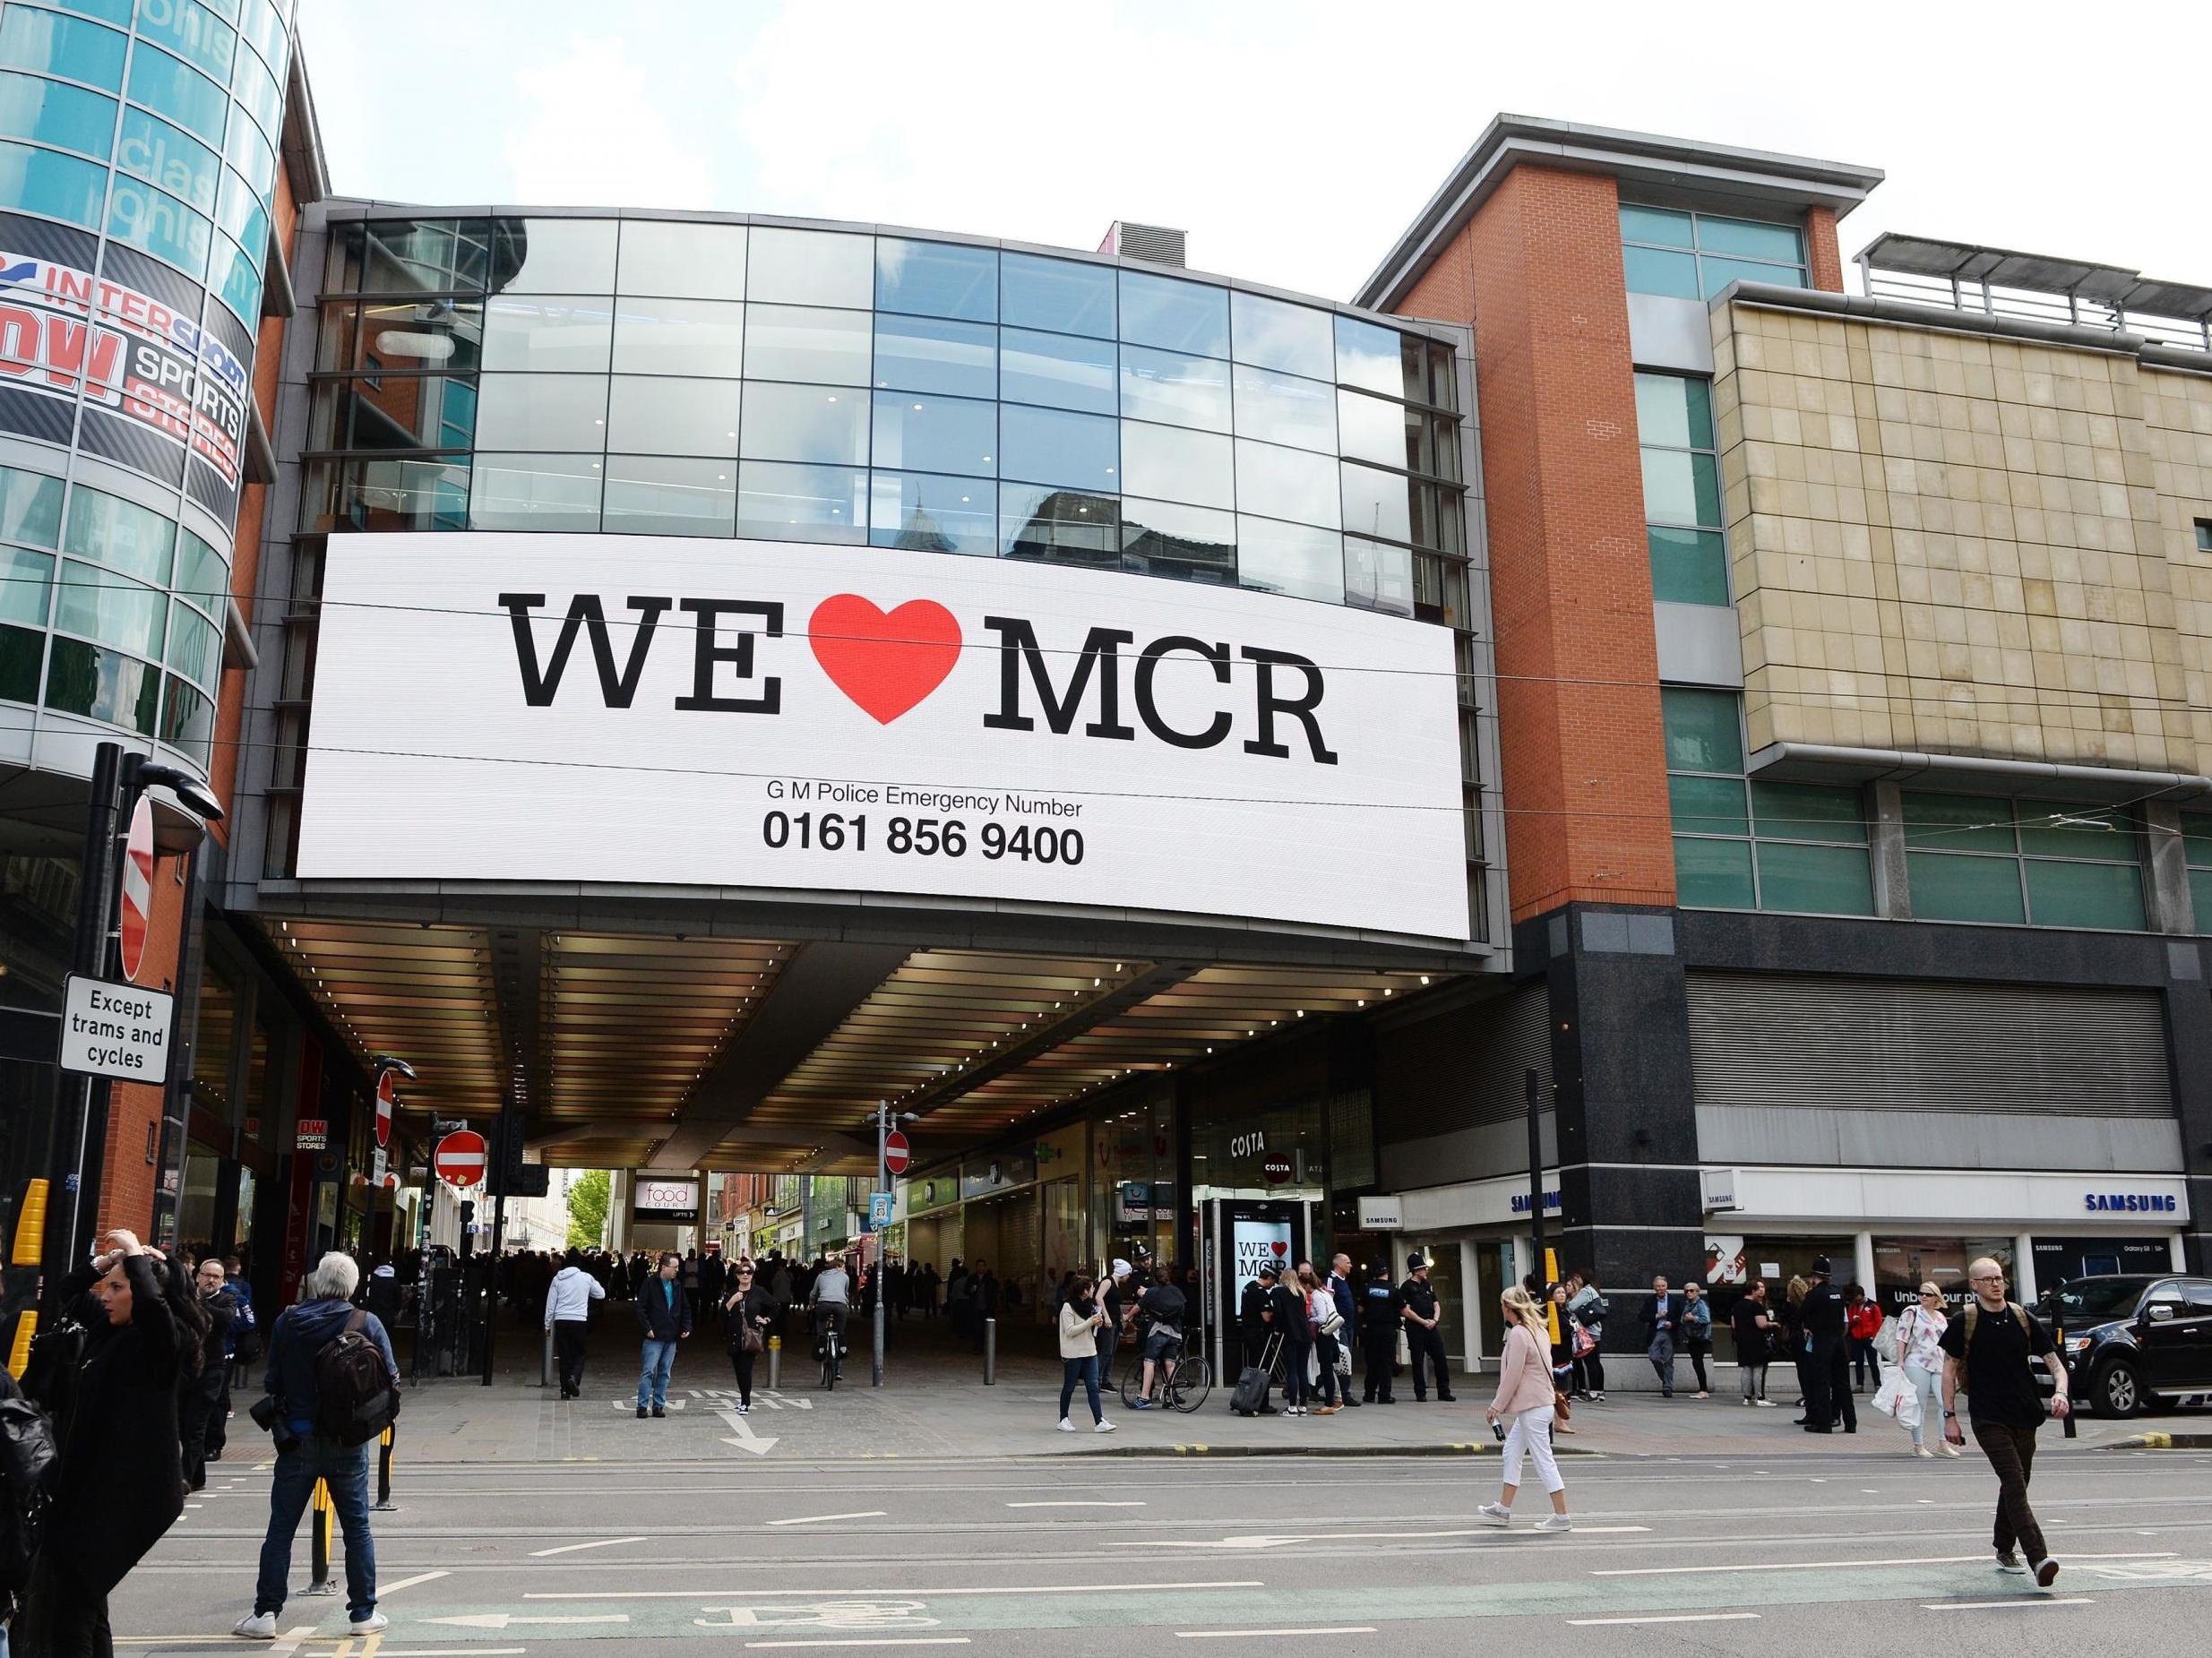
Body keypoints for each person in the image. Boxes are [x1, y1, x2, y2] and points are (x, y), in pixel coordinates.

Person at [17, 1229, 202, 1656]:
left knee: (73, 1613)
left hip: (117, 1495)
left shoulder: (159, 1344)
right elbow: (66, 1291)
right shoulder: (110, 1331)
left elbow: (156, 1314)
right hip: (82, 1487)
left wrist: (137, 1257)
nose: (106, 1294)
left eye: (117, 1288)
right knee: (84, 1605)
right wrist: (105, 1263)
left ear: (142, 1292)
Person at [233, 1250, 397, 1640]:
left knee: (281, 1530)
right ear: (353, 1286)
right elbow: (390, 1379)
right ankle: (362, 1613)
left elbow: (271, 1380)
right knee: (357, 1529)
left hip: (297, 1440)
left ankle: (265, 1614)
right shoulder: (366, 1322)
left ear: (318, 1282)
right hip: (348, 1444)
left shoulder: (289, 1321)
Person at [1941, 1257, 2070, 1586]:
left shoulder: (2022, 1318)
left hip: (2025, 1415)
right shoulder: (1964, 1321)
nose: (1997, 1284)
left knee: (2017, 1483)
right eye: (1988, 1279)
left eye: (2000, 1278)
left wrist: (2061, 1393)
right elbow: (1949, 1370)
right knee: (2013, 1480)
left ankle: (2002, 1547)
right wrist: (1949, 1417)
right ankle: (2039, 1558)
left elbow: (2055, 1364)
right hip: (1988, 1417)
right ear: (1974, 1285)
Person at [1476, 1285, 1572, 1532]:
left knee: (1543, 1459)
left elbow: (1513, 1375)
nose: (1501, 1309)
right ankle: (1503, 1509)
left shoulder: (1519, 1333)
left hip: (1533, 1406)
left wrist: (1496, 1406)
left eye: (1502, 1305)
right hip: (1539, 1403)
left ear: (1508, 1307)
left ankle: (1562, 1517)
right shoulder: (1538, 1329)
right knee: (1511, 1451)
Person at [180, 1254, 237, 1490]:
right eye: (208, 1275)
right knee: (183, 1426)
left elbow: (225, 1320)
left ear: (223, 1280)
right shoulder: (185, 1297)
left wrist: (197, 1305)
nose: (211, 1280)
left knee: (196, 1425)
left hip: (212, 1370)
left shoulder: (228, 1299)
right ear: (198, 1276)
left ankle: (184, 1478)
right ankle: (198, 1476)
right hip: (186, 1370)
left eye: (217, 1277)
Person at [1898, 1280, 1953, 1458]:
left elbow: (1946, 1343)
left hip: (1939, 1362)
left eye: (1928, 1294)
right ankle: (1918, 1444)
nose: (1923, 1297)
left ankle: (1943, 1443)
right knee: (1919, 1405)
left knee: (1944, 1403)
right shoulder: (1911, 1311)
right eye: (1921, 1293)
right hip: (1916, 1361)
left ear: (1936, 1297)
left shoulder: (1941, 1317)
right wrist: (1900, 1360)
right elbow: (1902, 1337)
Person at [1800, 1256, 1855, 1433]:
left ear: (1815, 1276)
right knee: (1843, 1383)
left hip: (1823, 1341)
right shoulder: (1838, 1292)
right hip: (1839, 1341)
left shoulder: (1814, 1294)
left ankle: (1823, 1423)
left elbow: (1802, 1315)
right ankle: (1851, 1423)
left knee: (1822, 1382)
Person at [1055, 1274, 1115, 1433]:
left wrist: (1098, 1323)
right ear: (1084, 1291)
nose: (1093, 1290)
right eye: (1091, 1288)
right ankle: (1063, 1418)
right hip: (1073, 1353)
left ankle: (1099, 1420)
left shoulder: (1090, 1306)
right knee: (1069, 1386)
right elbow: (1070, 1331)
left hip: (1090, 1351)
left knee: (1093, 1386)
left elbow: (1091, 1329)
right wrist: (1090, 1322)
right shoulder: (1068, 1307)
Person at [545, 1247, 606, 1400]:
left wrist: (547, 1325)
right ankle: (574, 1378)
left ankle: (564, 1390)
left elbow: (550, 1304)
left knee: (564, 1355)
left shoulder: (557, 1279)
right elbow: (601, 1294)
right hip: (579, 1320)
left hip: (561, 1320)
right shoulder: (586, 1278)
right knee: (579, 1353)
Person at [635, 1251, 691, 1417]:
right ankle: (642, 1406)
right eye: (674, 1268)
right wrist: (647, 1328)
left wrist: (687, 1326)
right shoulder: (650, 1283)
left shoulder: (677, 1285)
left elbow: (685, 1307)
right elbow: (640, 1308)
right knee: (648, 1371)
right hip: (654, 1336)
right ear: (664, 1267)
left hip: (671, 1335)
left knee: (665, 1373)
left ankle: (658, 1405)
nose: (676, 1271)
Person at [1130, 1265, 1188, 1410]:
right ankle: (1170, 1397)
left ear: (1155, 1280)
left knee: (1149, 1362)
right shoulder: (1177, 1291)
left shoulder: (1153, 1292)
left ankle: (1144, 1397)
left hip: (1159, 1331)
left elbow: (1138, 1307)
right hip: (1175, 1332)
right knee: (1170, 1364)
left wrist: (1127, 1316)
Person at [1399, 1255, 1454, 1402]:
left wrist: (1435, 1320)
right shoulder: (1406, 1287)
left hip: (1431, 1326)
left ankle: (1444, 1391)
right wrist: (1423, 1321)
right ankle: (1420, 1392)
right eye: (1423, 1268)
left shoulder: (1427, 1285)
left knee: (1440, 1358)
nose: (1426, 1271)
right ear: (1416, 1271)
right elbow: (1405, 1310)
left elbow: (1436, 1304)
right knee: (1418, 1360)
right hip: (1416, 1327)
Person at [723, 1260, 776, 1412]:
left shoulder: (759, 1292)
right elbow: (723, 1314)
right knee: (739, 1370)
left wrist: (766, 1319)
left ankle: (746, 1402)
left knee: (746, 1369)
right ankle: (743, 1400)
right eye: (741, 1272)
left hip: (751, 1336)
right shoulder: (732, 1292)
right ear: (737, 1275)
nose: (745, 1275)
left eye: (748, 1272)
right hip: (734, 1336)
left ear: (752, 1275)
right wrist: (732, 1301)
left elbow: (775, 1306)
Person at [1270, 1264, 1313, 1416]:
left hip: (1290, 1334)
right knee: (1302, 1371)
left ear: (1283, 1278)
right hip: (1305, 1334)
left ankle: (1292, 1406)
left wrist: (1277, 1328)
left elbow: (1278, 1312)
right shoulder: (1301, 1293)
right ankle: (1303, 1406)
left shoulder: (1278, 1292)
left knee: (1292, 1371)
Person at [1359, 1261, 1401, 1404]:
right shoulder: (1393, 1290)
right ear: (1387, 1273)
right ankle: (1384, 1395)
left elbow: (1360, 1309)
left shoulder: (1367, 1289)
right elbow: (1403, 1309)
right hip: (1387, 1330)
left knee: (1372, 1362)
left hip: (1371, 1330)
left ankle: (1369, 1394)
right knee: (1386, 1363)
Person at [1304, 1265, 1343, 1414]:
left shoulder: (1316, 1295)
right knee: (1328, 1370)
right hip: (1332, 1335)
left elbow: (1322, 1317)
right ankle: (1330, 1402)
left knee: (1326, 1370)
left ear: (1308, 1284)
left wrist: (1309, 1318)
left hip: (1325, 1336)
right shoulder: (1324, 1293)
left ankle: (1328, 1404)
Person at [1731, 1279, 1777, 1405]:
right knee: (1758, 1369)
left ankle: (1747, 1397)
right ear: (1752, 1291)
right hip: (1756, 1340)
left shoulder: (1737, 1305)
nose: (1760, 1291)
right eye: (1758, 1289)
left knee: (1746, 1368)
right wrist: (1773, 1324)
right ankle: (1760, 1397)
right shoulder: (1756, 1306)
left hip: (1742, 1340)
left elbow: (1734, 1324)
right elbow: (1761, 1324)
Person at [1564, 1272, 1606, 1401]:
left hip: (1588, 1332)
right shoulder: (1593, 1290)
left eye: (1578, 1277)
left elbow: (1571, 1306)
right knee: (1595, 1362)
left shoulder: (1585, 1291)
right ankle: (1599, 1391)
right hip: (1595, 1331)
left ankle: (1593, 1392)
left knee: (1590, 1362)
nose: (1575, 1280)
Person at [809, 1252, 851, 1379]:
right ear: (838, 1267)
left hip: (823, 1305)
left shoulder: (821, 1276)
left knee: (821, 1325)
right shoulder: (845, 1277)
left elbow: (814, 1293)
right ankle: (838, 1370)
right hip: (840, 1306)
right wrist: (846, 1304)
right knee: (839, 1333)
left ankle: (821, 1343)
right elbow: (846, 1293)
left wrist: (811, 1304)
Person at [1327, 1254, 1362, 1408]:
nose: (1350, 1265)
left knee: (1345, 1357)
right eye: (1348, 1262)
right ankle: (1344, 1394)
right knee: (1342, 1359)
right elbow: (1328, 1301)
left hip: (1348, 1325)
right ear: (1339, 1264)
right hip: (1339, 1326)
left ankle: (1314, 1388)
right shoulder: (1331, 1280)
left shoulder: (1344, 1281)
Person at [1642, 1275, 1678, 1397]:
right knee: (1654, 1357)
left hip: (1669, 1333)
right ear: (1654, 1288)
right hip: (1655, 1332)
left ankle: (1667, 1386)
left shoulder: (1675, 1300)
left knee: (1668, 1360)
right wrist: (1657, 1316)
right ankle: (1665, 1378)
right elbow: (1642, 1316)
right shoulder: (1650, 1300)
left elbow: (1680, 1318)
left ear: (1667, 1286)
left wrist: (1672, 1323)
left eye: (1663, 1286)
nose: (1661, 1288)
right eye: (1658, 1286)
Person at [1097, 1259, 1132, 1382]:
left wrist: (1121, 1316)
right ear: (1123, 1272)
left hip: (1115, 1320)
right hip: (1109, 1321)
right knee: (1106, 1351)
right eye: (1128, 1273)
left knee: (1110, 1352)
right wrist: (1106, 1316)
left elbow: (1110, 1302)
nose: (1128, 1277)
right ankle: (1097, 1378)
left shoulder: (1115, 1284)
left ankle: (1105, 1379)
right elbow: (1098, 1297)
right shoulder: (1108, 1281)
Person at [1846, 1284, 1883, 1391]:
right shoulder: (1853, 1307)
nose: (1858, 1301)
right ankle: (1860, 1385)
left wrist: (1874, 1336)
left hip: (1869, 1337)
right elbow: (1849, 1321)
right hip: (1857, 1337)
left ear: (1863, 1296)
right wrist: (1854, 1320)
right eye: (1856, 1300)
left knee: (1873, 1362)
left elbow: (1878, 1322)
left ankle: (1877, 1384)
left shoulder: (1872, 1306)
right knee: (1859, 1362)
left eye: (1860, 1299)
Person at [1238, 1264, 1274, 1374]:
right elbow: (1267, 1318)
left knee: (1253, 1364)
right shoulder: (1261, 1293)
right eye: (1273, 1281)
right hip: (1258, 1335)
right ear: (1269, 1278)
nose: (1273, 1285)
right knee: (1262, 1366)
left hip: (1247, 1331)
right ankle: (1261, 1390)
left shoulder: (1248, 1286)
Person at [1682, 1281, 1712, 1399]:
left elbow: (1706, 1319)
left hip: (1701, 1338)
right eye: (1686, 1291)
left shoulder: (1700, 1304)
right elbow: (1683, 1319)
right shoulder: (1688, 1304)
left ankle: (1703, 1390)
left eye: (1691, 1290)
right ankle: (1702, 1389)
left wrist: (1692, 1318)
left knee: (1698, 1362)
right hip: (1692, 1337)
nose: (1688, 1293)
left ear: (1697, 1292)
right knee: (1696, 1362)